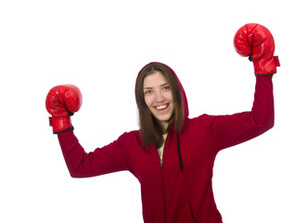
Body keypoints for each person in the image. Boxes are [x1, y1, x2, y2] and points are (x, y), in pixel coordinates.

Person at [44, 23, 279, 223]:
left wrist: (263, 64)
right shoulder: (131, 144)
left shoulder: (205, 130)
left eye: (165, 88)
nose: (159, 98)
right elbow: (80, 167)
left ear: (176, 91)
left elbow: (261, 120)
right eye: (149, 92)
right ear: (142, 99)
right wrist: (60, 120)